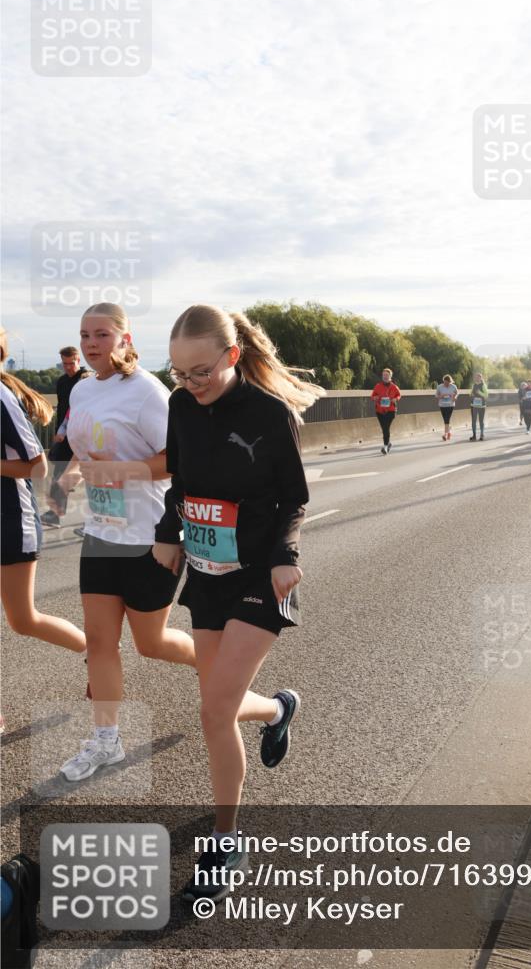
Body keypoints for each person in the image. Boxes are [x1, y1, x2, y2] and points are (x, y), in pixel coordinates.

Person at [151, 305, 324, 903]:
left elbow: (293, 498)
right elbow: (181, 486)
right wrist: (169, 535)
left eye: (201, 372)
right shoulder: (180, 407)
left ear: (231, 356)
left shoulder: (269, 414)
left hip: (259, 576)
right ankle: (277, 711)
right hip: (207, 572)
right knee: (217, 704)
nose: (191, 385)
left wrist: (286, 555)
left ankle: (226, 840)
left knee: (212, 713)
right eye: (179, 374)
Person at [55, 303, 197, 782]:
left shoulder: (147, 392)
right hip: (101, 532)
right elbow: (85, 447)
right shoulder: (81, 388)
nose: (92, 343)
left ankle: (211, 663)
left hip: (148, 534)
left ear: (124, 338)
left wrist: (118, 472)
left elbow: (175, 459)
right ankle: (105, 740)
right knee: (99, 641)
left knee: (151, 643)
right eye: (84, 335)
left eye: (101, 334)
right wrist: (76, 473)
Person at [1, 328, 87, 679]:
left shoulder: (2, 398)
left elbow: (36, 466)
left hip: (10, 520)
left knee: (23, 620)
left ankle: (99, 652)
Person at [40, 347, 88, 528]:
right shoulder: (61, 382)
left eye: (71, 363)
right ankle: (54, 513)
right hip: (65, 434)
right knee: (59, 472)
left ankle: (93, 519)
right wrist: (59, 431)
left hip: (83, 433)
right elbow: (62, 409)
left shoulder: (85, 378)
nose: (68, 367)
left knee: (91, 475)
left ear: (78, 360)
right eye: (65, 364)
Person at [371, 369, 401, 454]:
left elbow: (399, 395)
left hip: (391, 410)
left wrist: (396, 399)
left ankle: (385, 447)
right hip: (379, 410)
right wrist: (374, 398)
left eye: (387, 375)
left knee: (386, 428)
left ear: (390, 377)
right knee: (384, 428)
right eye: (384, 375)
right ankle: (388, 444)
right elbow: (372, 396)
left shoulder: (394, 387)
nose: (385, 377)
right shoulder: (378, 386)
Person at [435, 374, 458, 440]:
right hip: (442, 405)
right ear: (443, 381)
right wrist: (441, 396)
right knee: (446, 419)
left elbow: (457, 393)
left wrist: (455, 398)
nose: (446, 384)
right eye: (445, 382)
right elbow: (436, 395)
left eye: (447, 383)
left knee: (447, 419)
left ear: (450, 382)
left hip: (450, 405)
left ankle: (445, 434)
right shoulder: (439, 387)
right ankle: (449, 431)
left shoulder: (453, 386)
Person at [469, 373, 488, 441]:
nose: (476, 378)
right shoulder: (473, 385)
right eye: (475, 377)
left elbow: (486, 395)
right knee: (473, 421)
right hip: (474, 405)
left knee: (481, 420)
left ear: (480, 378)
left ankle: (482, 435)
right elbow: (470, 393)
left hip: (481, 405)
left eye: (478, 377)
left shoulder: (483, 385)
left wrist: (479, 392)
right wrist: (471, 395)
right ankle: (474, 435)